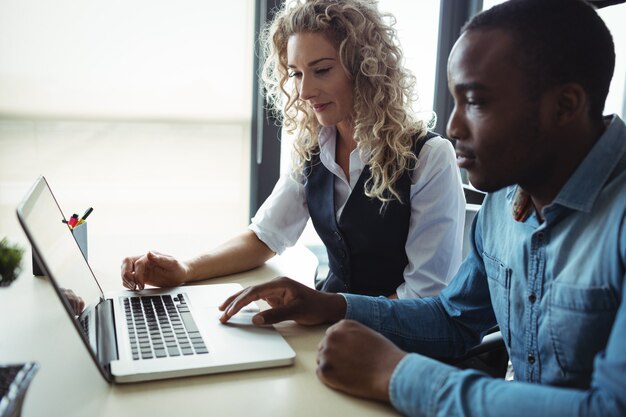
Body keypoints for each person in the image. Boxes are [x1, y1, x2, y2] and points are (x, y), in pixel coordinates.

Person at [218, 0, 626, 415]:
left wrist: (396, 374)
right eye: (455, 100)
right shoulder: (502, 205)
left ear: (566, 106)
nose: (453, 128)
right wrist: (332, 305)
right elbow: (454, 321)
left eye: (477, 102)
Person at [121, 0, 465, 299]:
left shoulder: (429, 157)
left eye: (322, 70)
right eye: (297, 74)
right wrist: (184, 269)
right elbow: (265, 236)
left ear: (366, 67)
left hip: (398, 345)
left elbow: (426, 294)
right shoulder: (316, 149)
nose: (304, 91)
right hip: (331, 328)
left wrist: (329, 315)